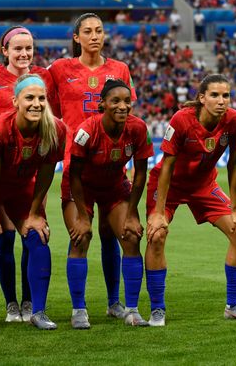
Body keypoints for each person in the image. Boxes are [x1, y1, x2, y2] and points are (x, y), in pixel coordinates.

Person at [145, 74, 236, 326]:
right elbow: (166, 166)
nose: (221, 101)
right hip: (170, 185)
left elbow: (235, 163)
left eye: (226, 95)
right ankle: (157, 310)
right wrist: (158, 211)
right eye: (215, 95)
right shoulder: (181, 120)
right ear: (201, 98)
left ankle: (234, 306)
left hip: (203, 185)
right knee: (156, 235)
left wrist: (234, 206)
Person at [48, 13, 135, 321]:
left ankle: (114, 304)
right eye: (88, 31)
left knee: (115, 235)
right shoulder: (59, 69)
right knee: (80, 236)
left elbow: (127, 108)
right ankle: (78, 308)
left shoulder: (120, 69)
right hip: (77, 169)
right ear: (76, 37)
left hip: (112, 170)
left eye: (99, 30)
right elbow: (38, 95)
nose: (95, 36)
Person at [0, 74, 67, 330]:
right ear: (15, 101)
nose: (36, 103)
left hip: (20, 187)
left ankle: (38, 312)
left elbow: (45, 175)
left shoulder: (56, 129)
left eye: (41, 98)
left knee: (38, 235)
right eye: (29, 98)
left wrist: (33, 213)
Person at [0, 25, 55, 322]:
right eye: (18, 48)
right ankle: (11, 303)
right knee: (6, 235)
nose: (23, 54)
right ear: (4, 51)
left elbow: (50, 116)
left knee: (33, 234)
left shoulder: (44, 78)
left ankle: (30, 302)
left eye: (29, 49)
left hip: (29, 170)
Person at [68, 79, 153, 329]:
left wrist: (133, 214)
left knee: (131, 236)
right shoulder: (87, 131)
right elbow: (73, 175)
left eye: (127, 101)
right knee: (80, 237)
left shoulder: (138, 129)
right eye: (115, 101)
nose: (123, 106)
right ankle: (79, 310)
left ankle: (131, 310)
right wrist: (83, 216)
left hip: (115, 187)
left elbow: (140, 175)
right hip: (82, 189)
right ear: (102, 104)